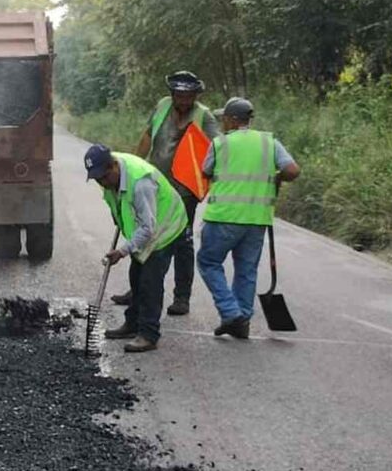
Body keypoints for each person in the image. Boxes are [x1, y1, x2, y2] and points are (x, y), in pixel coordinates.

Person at [112, 71, 220, 315]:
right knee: (144, 233)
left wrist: (208, 177)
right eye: (180, 95)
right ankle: (138, 290)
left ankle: (182, 297)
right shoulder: (162, 106)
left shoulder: (204, 116)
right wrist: (131, 167)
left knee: (182, 242)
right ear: (172, 94)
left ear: (195, 95)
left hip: (184, 191)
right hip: (154, 186)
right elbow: (148, 135)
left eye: (189, 96)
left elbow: (218, 148)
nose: (184, 100)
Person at [197, 97, 301, 338]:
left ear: (232, 120)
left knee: (208, 262)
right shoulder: (269, 142)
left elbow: (205, 171)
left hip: (224, 216)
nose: (222, 122)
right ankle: (241, 321)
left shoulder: (220, 143)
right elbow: (292, 170)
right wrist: (277, 177)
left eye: (224, 118)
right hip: (257, 220)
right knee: (246, 270)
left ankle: (231, 312)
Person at [85, 144, 188, 353]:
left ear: (113, 166)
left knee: (150, 281)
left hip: (165, 227)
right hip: (147, 227)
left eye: (104, 178)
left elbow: (148, 229)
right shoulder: (110, 175)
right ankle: (132, 324)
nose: (102, 183)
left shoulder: (141, 183)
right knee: (136, 275)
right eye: (97, 179)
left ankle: (149, 334)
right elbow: (118, 204)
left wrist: (122, 251)